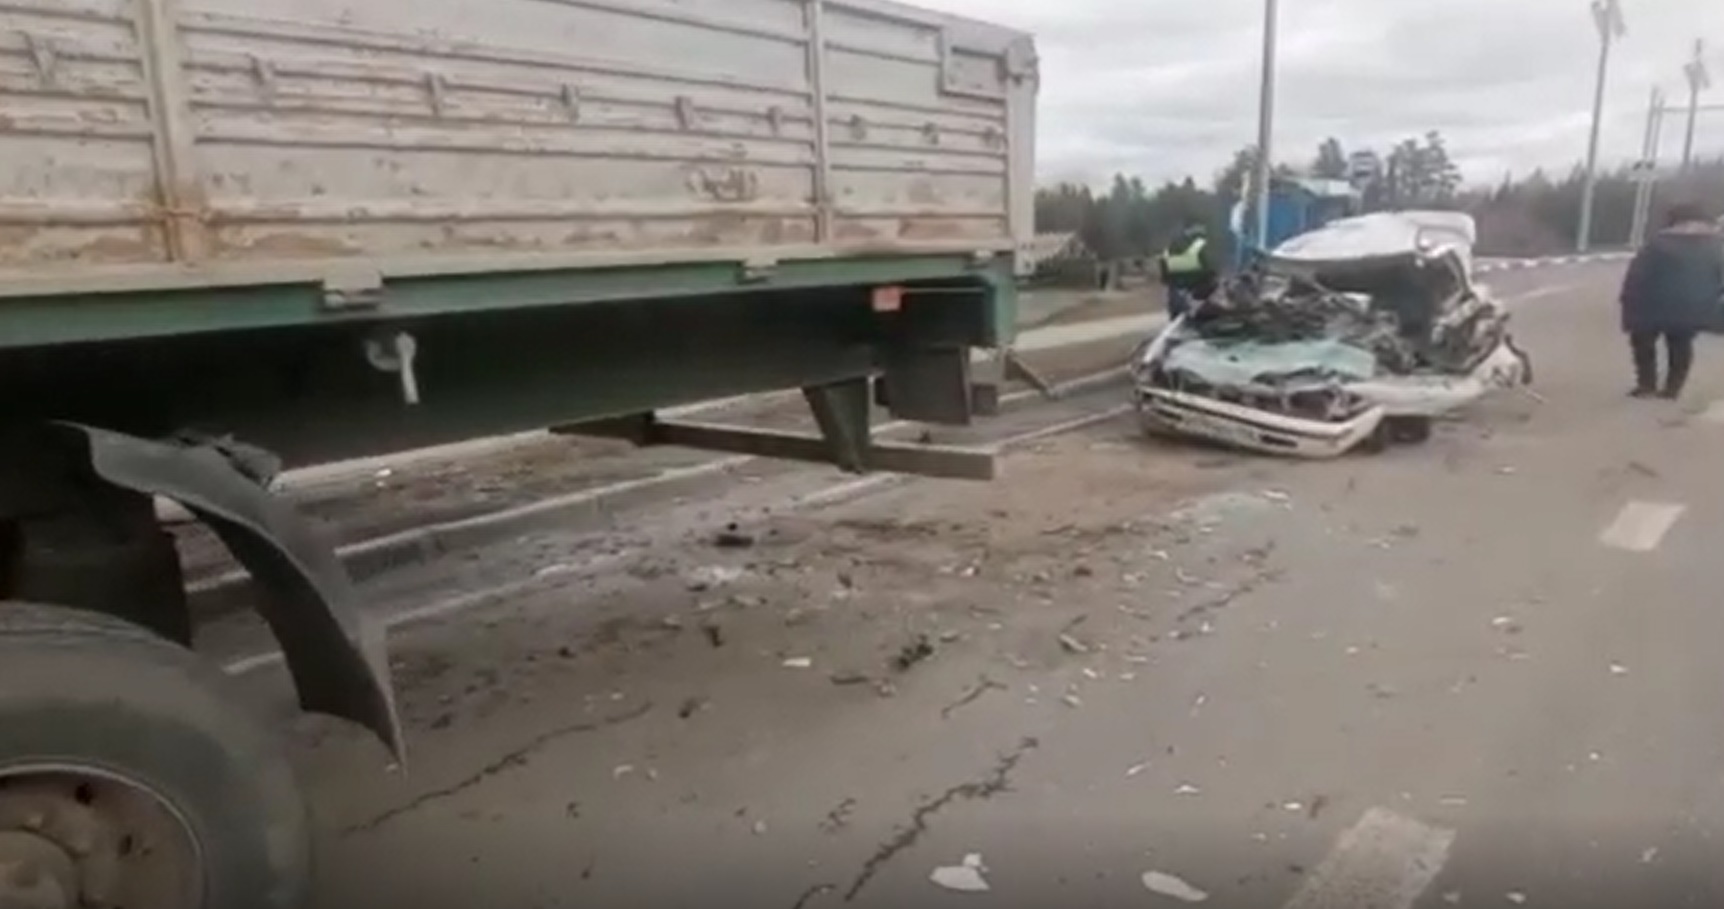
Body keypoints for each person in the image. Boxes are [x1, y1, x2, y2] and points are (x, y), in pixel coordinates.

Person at [1618, 203, 1724, 399]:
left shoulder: (1657, 244)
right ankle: (1673, 389)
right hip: (1693, 306)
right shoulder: (1715, 246)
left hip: (1650, 305)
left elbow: (1637, 275)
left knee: (1643, 343)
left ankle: (1646, 384)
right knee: (1680, 345)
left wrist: (1628, 301)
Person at [1159, 223, 1220, 319]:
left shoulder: (1171, 245)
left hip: (1177, 293)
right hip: (1199, 289)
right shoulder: (1202, 243)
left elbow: (1164, 273)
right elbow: (1210, 268)